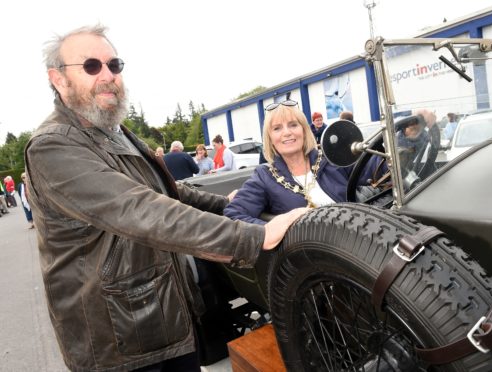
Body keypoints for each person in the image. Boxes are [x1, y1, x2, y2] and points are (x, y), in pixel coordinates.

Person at [25, 24, 308, 372]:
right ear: (58, 78)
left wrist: (231, 206)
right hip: (119, 343)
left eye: (114, 65)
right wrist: (254, 236)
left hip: (164, 319)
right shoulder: (53, 146)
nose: (108, 75)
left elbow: (169, 192)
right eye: (91, 66)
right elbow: (138, 209)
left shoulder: (116, 133)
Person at [224, 101, 381, 225]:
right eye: (277, 128)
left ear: (304, 131)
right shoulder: (265, 177)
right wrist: (276, 228)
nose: (287, 132)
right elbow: (233, 215)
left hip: (359, 241)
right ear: (270, 138)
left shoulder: (332, 158)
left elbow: (378, 168)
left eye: (293, 125)